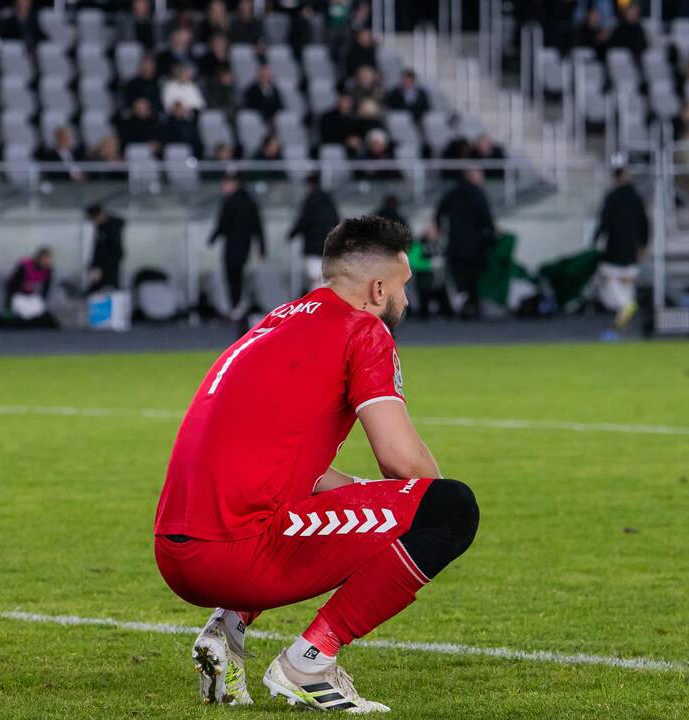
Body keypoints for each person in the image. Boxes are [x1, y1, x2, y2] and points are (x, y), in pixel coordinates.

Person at [154, 214, 478, 712]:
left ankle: (228, 630)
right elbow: (400, 460)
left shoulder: (276, 321)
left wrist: (369, 496)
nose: (406, 301)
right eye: (402, 286)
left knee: (312, 495)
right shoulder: (364, 331)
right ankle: (308, 662)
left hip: (177, 552)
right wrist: (418, 505)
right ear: (376, 289)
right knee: (452, 507)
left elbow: (291, 466)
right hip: (235, 553)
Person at [435, 167, 496, 319]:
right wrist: (492, 235)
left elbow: (439, 211)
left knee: (458, 279)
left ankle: (461, 307)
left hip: (455, 244)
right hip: (475, 246)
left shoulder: (452, 193)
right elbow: (487, 219)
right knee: (473, 279)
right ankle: (472, 308)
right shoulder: (478, 194)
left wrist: (439, 228)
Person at [592, 165, 649, 330]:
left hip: (615, 244)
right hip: (632, 245)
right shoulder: (637, 197)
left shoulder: (612, 196)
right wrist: (644, 244)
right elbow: (644, 223)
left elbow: (604, 221)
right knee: (627, 279)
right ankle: (624, 316)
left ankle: (626, 306)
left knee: (607, 275)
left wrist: (594, 241)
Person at [207, 172, 264, 321]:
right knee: (238, 275)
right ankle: (238, 306)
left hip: (232, 245)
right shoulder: (250, 202)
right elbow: (258, 227)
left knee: (232, 275)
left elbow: (222, 225)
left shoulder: (229, 202)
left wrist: (212, 238)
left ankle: (236, 305)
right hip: (245, 245)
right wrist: (262, 247)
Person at [288, 173, 340, 293]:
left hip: (313, 244)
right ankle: (325, 302)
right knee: (324, 276)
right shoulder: (329, 200)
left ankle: (318, 303)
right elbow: (336, 221)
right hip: (329, 244)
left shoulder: (310, 200)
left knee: (315, 277)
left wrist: (292, 234)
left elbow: (304, 220)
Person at [408, 222, 453, 320]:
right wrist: (429, 264)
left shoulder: (440, 245)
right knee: (423, 312)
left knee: (449, 311)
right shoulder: (419, 245)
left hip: (439, 283)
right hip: (424, 283)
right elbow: (413, 261)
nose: (433, 233)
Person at [6, 246, 57, 327]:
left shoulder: (48, 270)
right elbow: (11, 285)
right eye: (44, 258)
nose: (46, 261)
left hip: (33, 297)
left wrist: (42, 299)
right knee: (23, 316)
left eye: (48, 259)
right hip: (20, 296)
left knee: (41, 315)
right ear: (39, 258)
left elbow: (46, 288)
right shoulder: (25, 266)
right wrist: (8, 303)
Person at [86, 204, 125, 293]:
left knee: (107, 296)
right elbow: (97, 251)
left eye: (93, 219)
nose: (93, 222)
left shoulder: (113, 228)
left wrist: (101, 270)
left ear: (99, 215)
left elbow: (118, 253)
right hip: (99, 273)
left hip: (108, 275)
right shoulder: (100, 228)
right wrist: (93, 266)